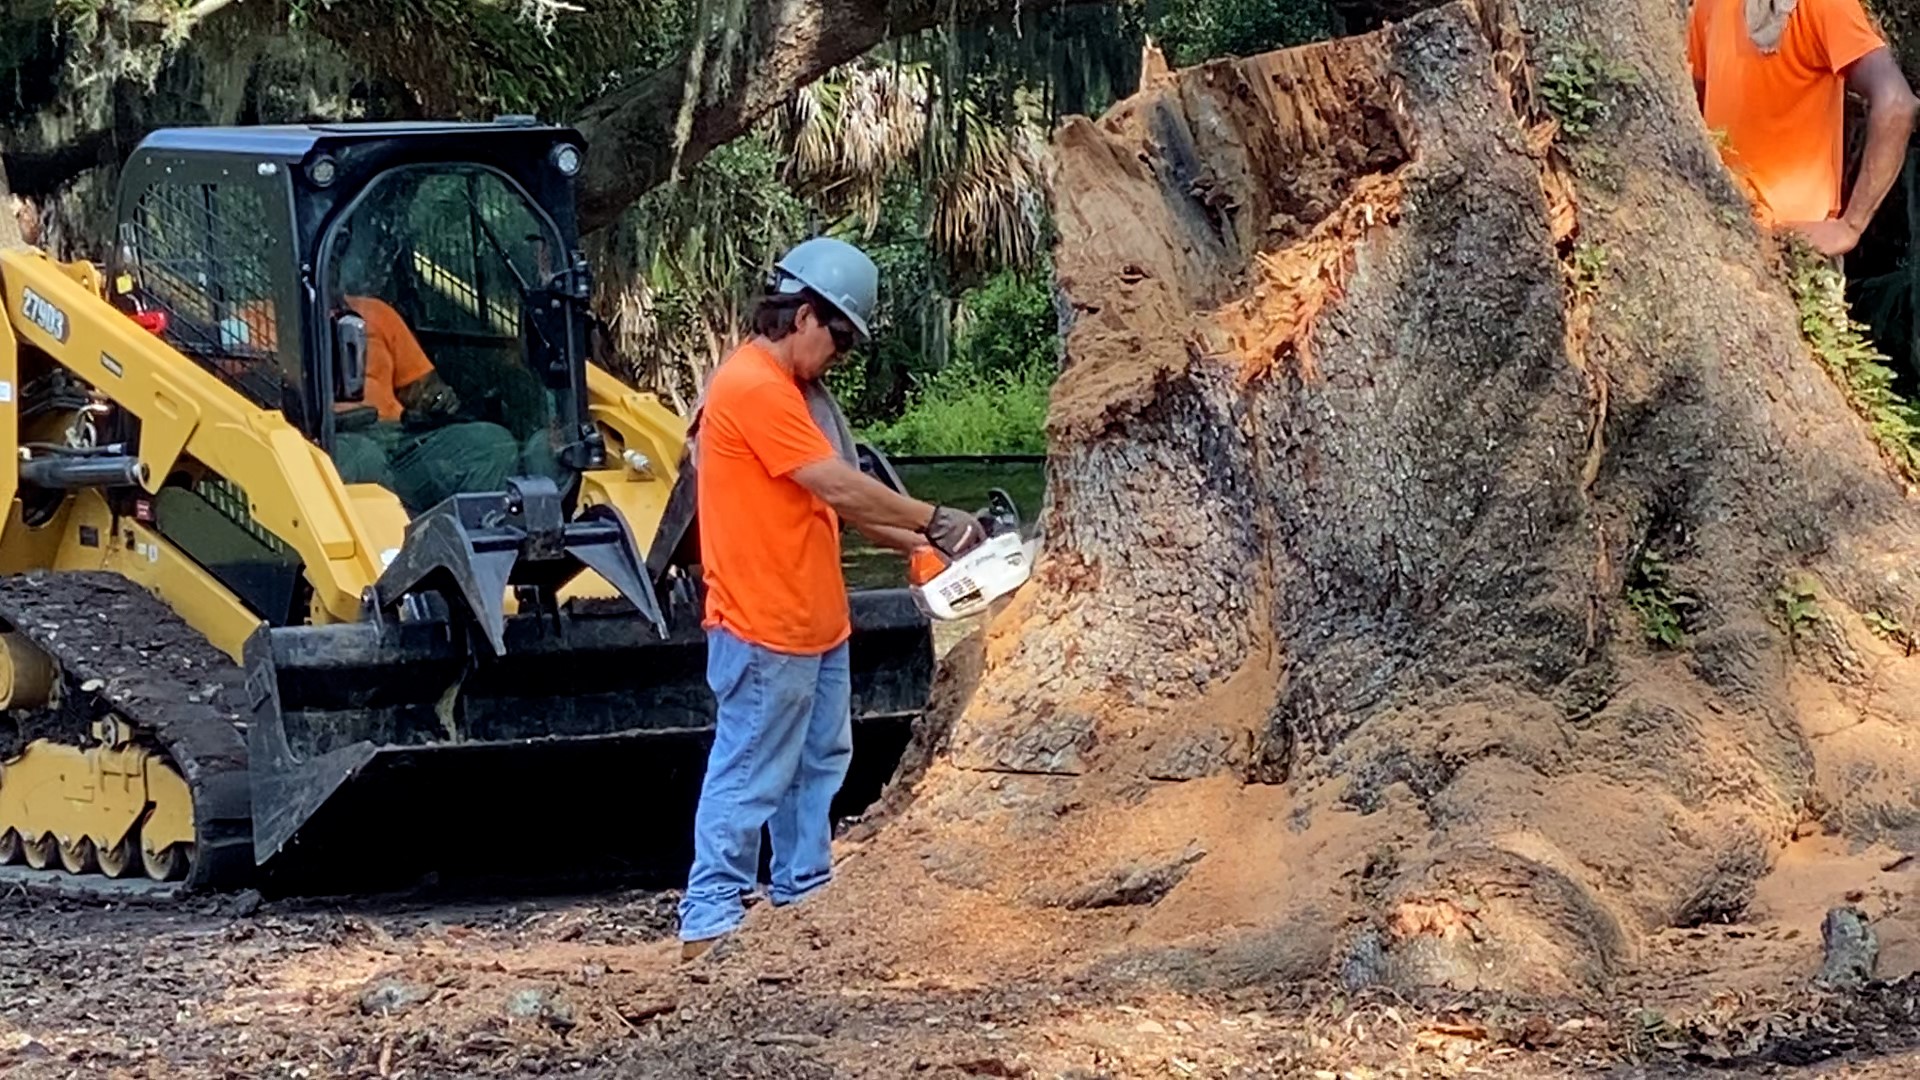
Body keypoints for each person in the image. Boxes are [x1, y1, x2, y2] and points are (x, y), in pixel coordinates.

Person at [677, 236, 986, 959]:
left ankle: (802, 895)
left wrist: (922, 545)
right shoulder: (751, 385)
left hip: (815, 622)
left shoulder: (798, 396)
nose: (839, 356)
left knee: (816, 766)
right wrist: (932, 518)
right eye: (840, 338)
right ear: (807, 315)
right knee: (752, 770)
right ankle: (710, 915)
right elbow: (835, 483)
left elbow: (843, 508)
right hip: (761, 621)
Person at [1689, 0, 1917, 257]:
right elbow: (1694, 108)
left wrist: (1850, 226)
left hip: (1793, 251)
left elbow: (1897, 104)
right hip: (1717, 233)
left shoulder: (1823, 5)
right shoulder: (1709, 4)